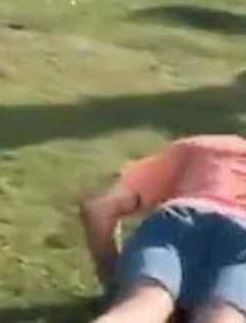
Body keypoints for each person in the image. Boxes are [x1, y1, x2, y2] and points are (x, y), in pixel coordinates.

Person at [79, 134, 246, 323]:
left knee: (142, 307)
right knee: (225, 316)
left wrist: (115, 281)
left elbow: (99, 208)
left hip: (174, 224)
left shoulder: (208, 146)